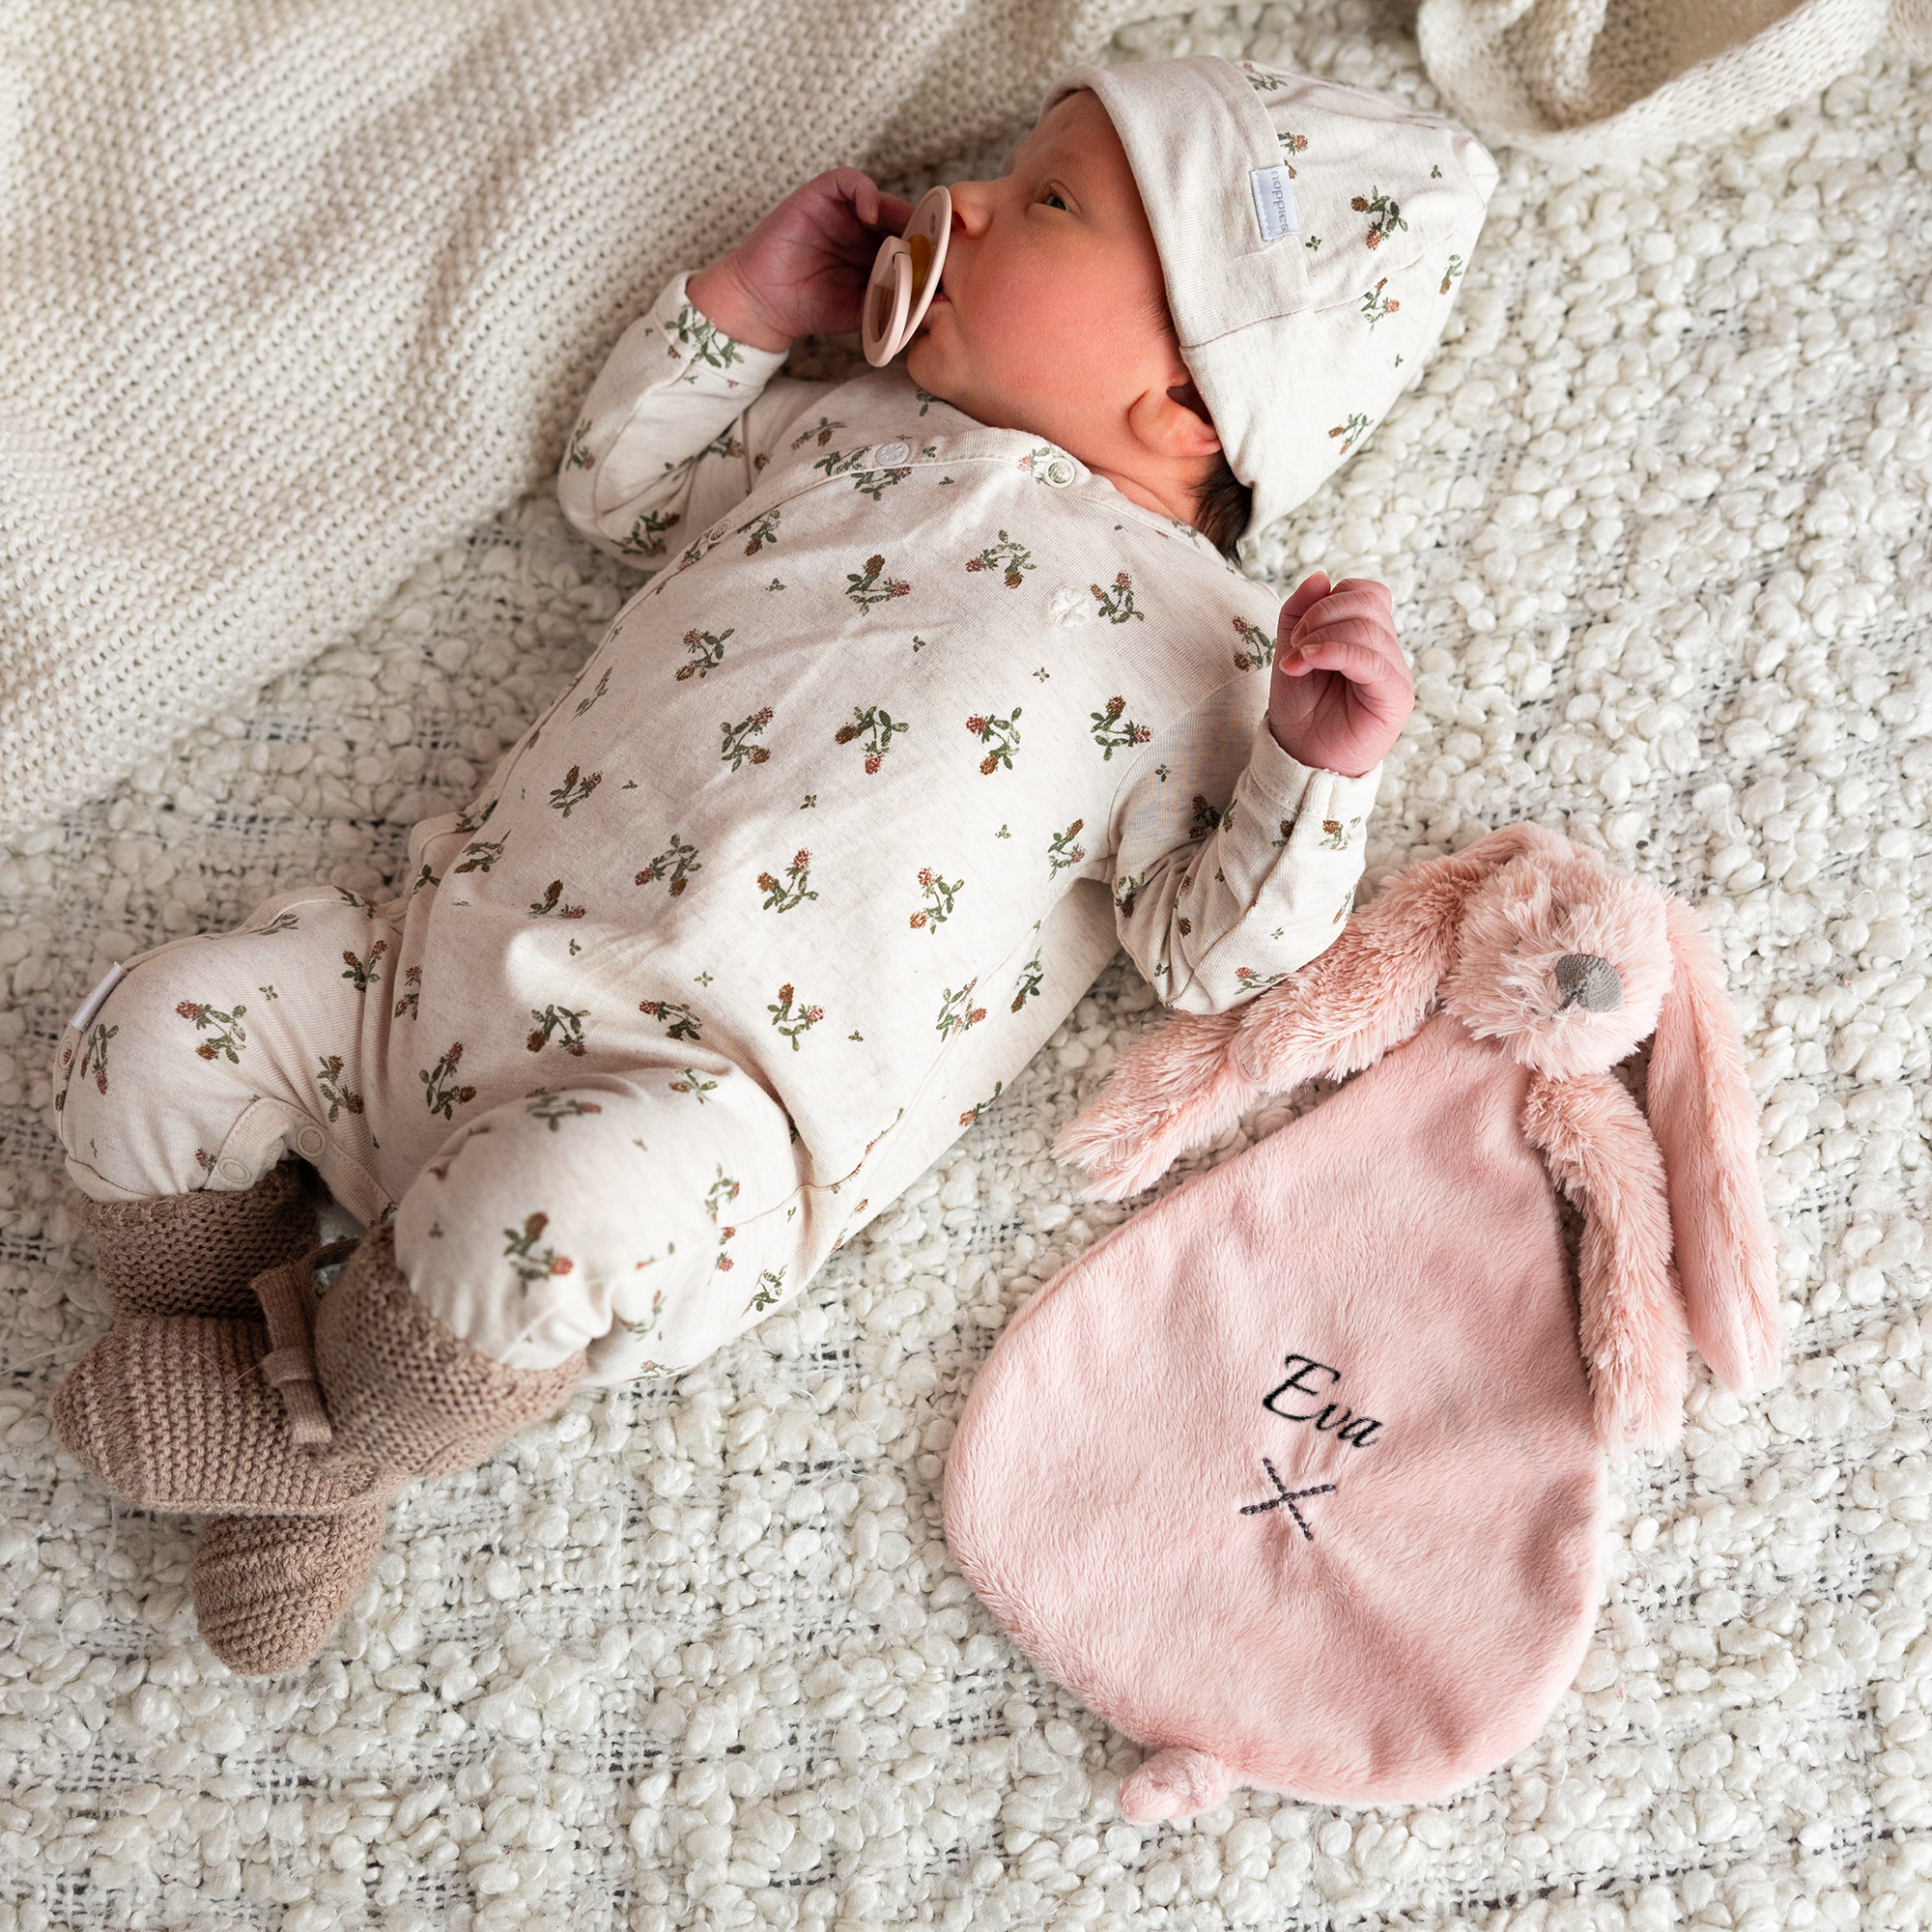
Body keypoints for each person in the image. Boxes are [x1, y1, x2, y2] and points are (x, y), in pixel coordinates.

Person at [50, 56, 1496, 1674]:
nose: (962, 204)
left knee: (542, 1220)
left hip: (705, 1114)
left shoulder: (1216, 655)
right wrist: (741, 307)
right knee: (147, 1032)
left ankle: (318, 1439)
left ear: (1186, 404)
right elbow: (623, 486)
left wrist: (1317, 766)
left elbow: (1212, 953)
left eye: (1043, 207)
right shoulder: (848, 426)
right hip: (437, 963)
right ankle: (267, 1364)